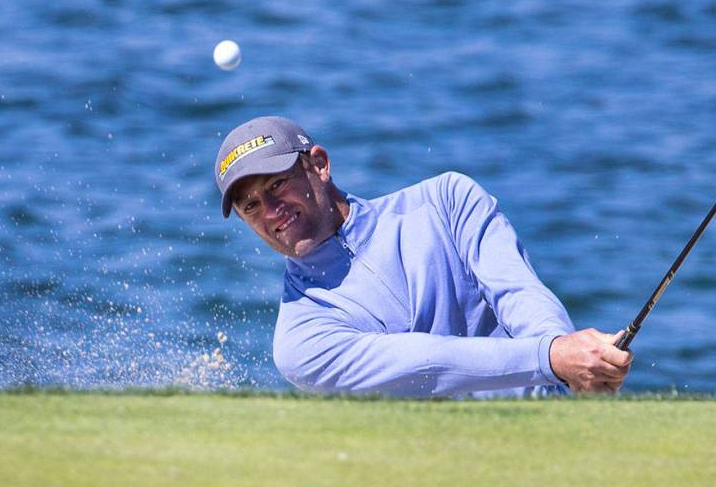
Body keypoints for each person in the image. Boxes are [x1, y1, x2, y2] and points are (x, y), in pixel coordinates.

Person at [214, 116, 632, 397]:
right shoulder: (300, 339)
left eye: (277, 186)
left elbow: (519, 293)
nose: (271, 212)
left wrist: (564, 354)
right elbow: (427, 364)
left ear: (319, 164)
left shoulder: (447, 200)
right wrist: (551, 358)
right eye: (250, 206)